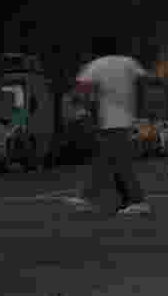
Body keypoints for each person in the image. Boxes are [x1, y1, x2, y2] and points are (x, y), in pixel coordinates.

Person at [63, 37, 153, 217]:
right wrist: (141, 108)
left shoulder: (97, 65)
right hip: (126, 119)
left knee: (116, 162)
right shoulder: (129, 62)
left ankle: (137, 201)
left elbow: (81, 89)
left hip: (109, 120)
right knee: (107, 160)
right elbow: (145, 82)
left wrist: (78, 106)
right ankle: (88, 197)